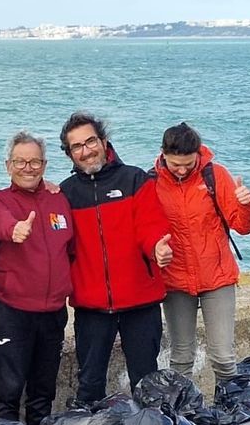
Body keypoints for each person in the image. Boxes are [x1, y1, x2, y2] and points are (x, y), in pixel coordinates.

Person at [57, 111, 172, 406]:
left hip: (140, 302)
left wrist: (157, 248)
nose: (86, 151)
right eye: (77, 146)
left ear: (104, 141)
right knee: (90, 383)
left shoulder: (135, 179)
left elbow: (150, 227)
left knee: (147, 384)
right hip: (91, 306)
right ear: (69, 154)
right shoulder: (64, 194)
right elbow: (58, 242)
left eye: (90, 141)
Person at [148, 122, 250, 385]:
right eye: (176, 164)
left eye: (188, 163)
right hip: (175, 279)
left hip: (217, 276)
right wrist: (155, 250)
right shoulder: (151, 183)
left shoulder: (215, 175)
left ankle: (233, 411)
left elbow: (244, 226)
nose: (182, 169)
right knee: (181, 357)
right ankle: (182, 416)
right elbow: (145, 231)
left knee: (223, 357)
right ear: (163, 154)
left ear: (198, 154)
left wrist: (248, 204)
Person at [0, 130, 73, 425]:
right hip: (13, 310)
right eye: (20, 162)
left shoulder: (58, 199)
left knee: (43, 391)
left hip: (52, 311)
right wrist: (15, 231)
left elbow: (70, 249)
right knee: (8, 391)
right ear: (8, 165)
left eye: (35, 162)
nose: (28, 168)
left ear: (45, 165)